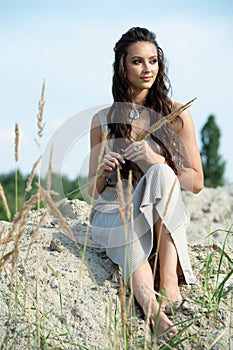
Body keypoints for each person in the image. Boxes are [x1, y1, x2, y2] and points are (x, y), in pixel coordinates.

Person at [88, 27, 203, 344]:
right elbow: (91, 191)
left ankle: (169, 281)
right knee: (124, 221)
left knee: (163, 173)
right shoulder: (102, 120)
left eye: (153, 61)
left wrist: (157, 161)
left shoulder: (176, 115)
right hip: (114, 209)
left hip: (157, 214)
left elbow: (196, 182)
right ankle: (153, 311)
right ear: (122, 66)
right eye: (137, 61)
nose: (147, 68)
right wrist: (103, 170)